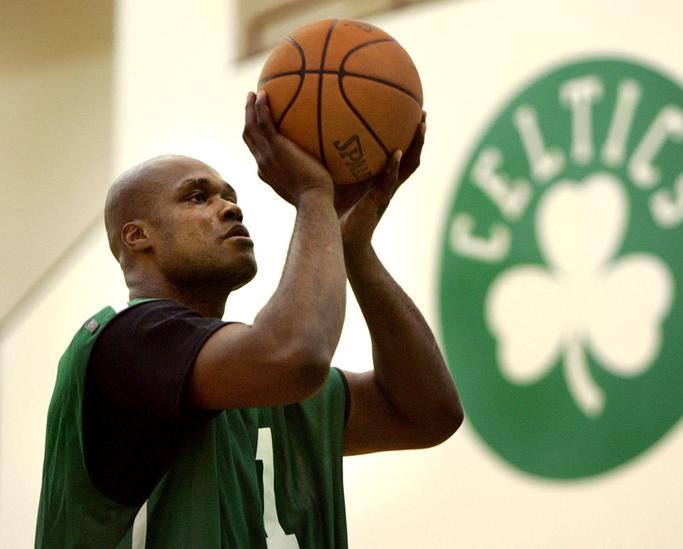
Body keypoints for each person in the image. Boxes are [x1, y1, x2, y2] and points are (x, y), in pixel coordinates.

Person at [35, 90, 463, 548]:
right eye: (197, 197)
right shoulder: (126, 347)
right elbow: (293, 354)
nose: (230, 207)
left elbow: (428, 414)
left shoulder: (272, 385)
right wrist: (315, 194)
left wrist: (353, 246)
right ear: (139, 236)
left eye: (230, 197)